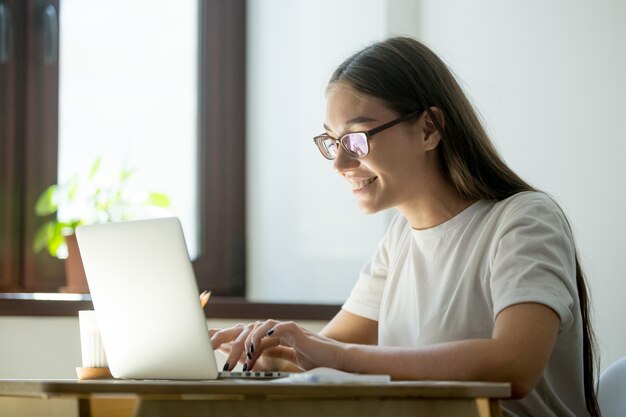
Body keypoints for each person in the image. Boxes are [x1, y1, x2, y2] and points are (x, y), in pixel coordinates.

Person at [210, 36, 600, 417]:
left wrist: (336, 356)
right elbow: (319, 353)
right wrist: (266, 351)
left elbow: (513, 367)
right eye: (333, 142)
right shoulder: (399, 238)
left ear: (429, 128)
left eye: (357, 139)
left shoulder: (525, 220)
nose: (340, 164)